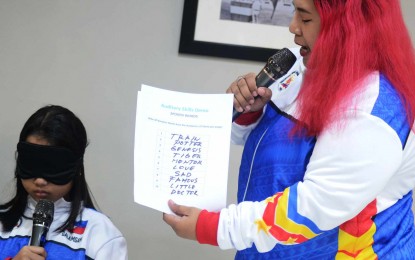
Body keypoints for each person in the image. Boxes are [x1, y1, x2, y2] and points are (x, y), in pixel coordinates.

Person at [163, 0, 415, 259]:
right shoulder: (299, 64)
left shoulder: (373, 112)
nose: (292, 27)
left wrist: (214, 227)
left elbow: (314, 207)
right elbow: (260, 148)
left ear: (347, 27)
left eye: (305, 19)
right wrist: (249, 113)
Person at [0, 105, 128, 259]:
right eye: (32, 164)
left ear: (75, 167)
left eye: (52, 167)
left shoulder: (100, 235)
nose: (40, 181)